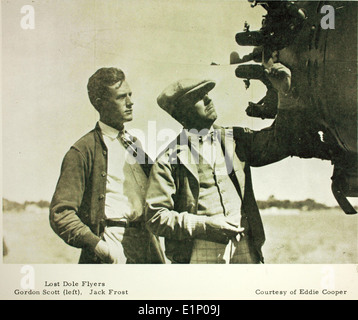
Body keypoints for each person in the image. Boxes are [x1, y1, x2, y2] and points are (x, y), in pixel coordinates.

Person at [145, 63, 292, 264]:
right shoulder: (168, 159)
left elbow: (281, 141)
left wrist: (283, 91)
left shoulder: (236, 139)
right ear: (182, 112)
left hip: (245, 246)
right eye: (198, 97)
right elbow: (156, 217)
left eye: (207, 93)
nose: (208, 99)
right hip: (199, 251)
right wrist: (205, 226)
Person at [50, 67, 164, 264]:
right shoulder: (82, 151)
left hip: (147, 244)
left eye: (130, 95)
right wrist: (99, 246)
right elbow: (61, 213)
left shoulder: (134, 144)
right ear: (100, 103)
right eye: (121, 97)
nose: (130, 102)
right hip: (112, 245)